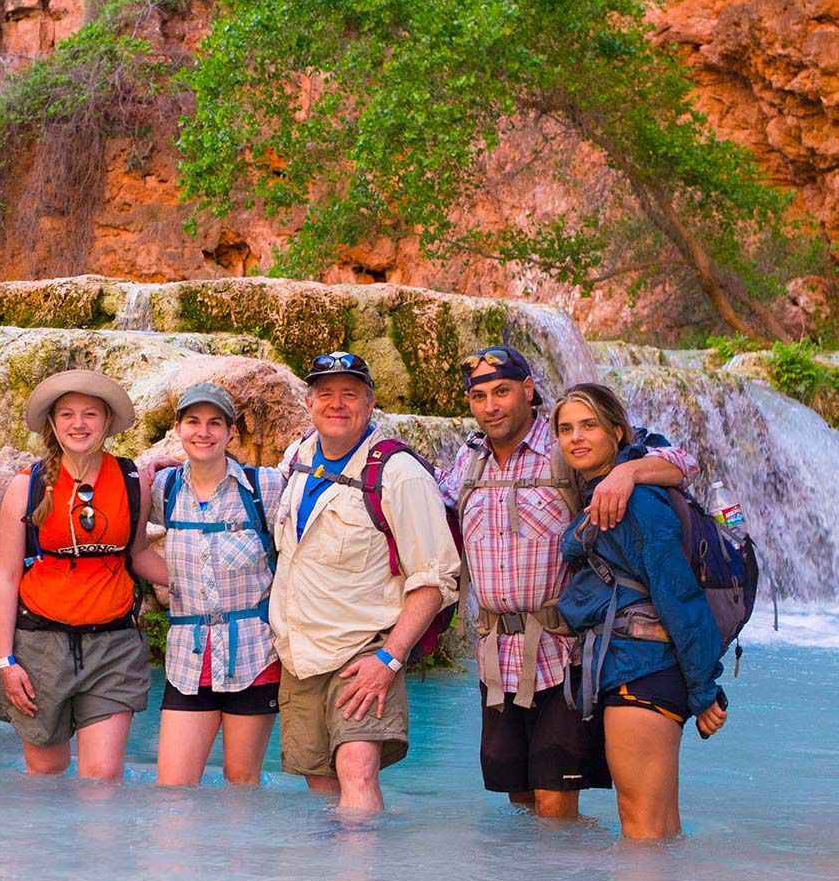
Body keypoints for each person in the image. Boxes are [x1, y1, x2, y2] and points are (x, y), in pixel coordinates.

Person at [440, 345, 697, 819]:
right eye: (479, 396)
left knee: (556, 798)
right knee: (515, 794)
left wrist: (627, 473)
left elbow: (682, 461)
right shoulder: (468, 458)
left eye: (502, 391)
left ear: (528, 389)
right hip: (495, 656)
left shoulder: (568, 441)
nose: (491, 406)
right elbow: (426, 502)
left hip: (566, 655)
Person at [271, 352, 460, 813]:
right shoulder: (296, 459)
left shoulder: (399, 473)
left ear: (370, 402)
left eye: (350, 394)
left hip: (364, 653)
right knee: (321, 787)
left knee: (356, 774)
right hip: (300, 655)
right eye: (326, 394)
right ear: (309, 402)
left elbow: (435, 579)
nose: (337, 404)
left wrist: (389, 659)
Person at [554, 383, 727, 840]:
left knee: (642, 836)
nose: (576, 437)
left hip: (641, 673)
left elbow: (678, 596)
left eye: (589, 425)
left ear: (617, 432)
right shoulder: (610, 492)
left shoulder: (636, 501)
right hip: (638, 671)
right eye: (566, 428)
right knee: (662, 833)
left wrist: (704, 690)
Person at [0, 370, 161, 781]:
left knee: (102, 777)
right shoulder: (26, 487)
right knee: (45, 774)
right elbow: (8, 578)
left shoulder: (132, 480)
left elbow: (137, 556)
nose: (78, 424)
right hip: (40, 649)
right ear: (52, 423)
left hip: (113, 646)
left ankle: (100, 849)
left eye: (90, 414)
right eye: (67, 414)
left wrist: (204, 584)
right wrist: (5, 661)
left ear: (106, 421)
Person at [151, 383, 285, 787]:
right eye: (193, 421)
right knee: (172, 789)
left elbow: (297, 558)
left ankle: (238, 855)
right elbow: (130, 544)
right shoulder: (163, 488)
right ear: (178, 428)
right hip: (187, 659)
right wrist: (179, 581)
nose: (203, 432)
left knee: (241, 784)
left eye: (215, 423)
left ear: (231, 433)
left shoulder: (266, 488)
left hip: (254, 655)